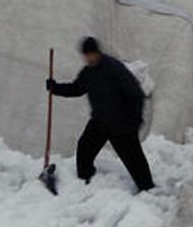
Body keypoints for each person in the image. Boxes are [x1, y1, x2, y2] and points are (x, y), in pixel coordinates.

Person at [46, 37, 155, 191]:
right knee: (84, 147)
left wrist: (135, 120)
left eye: (91, 53)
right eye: (86, 55)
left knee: (134, 159)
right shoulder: (88, 72)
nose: (89, 57)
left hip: (121, 124)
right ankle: (85, 179)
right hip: (100, 122)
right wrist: (55, 88)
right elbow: (77, 89)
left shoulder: (114, 68)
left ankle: (147, 188)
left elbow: (136, 93)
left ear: (97, 52)